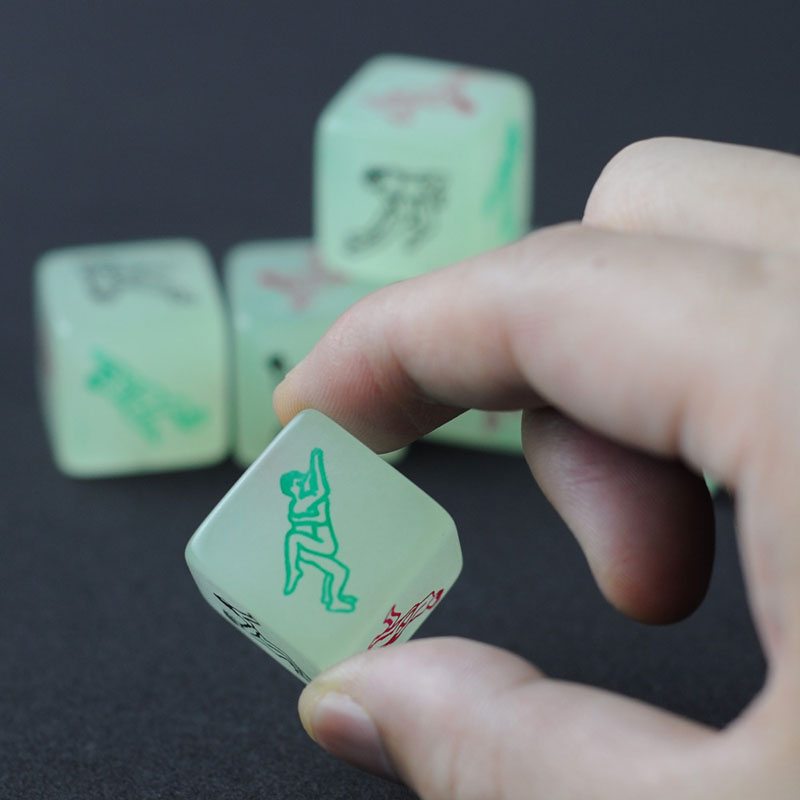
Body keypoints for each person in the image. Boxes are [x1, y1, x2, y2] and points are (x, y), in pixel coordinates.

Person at [273, 137, 800, 798]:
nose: (301, 484)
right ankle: (331, 595)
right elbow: (303, 523)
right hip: (322, 554)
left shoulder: (310, 493)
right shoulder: (305, 500)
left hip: (333, 550)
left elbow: (314, 494)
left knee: (321, 563)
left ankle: (333, 593)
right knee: (314, 563)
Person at [281, 447, 357, 613]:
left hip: (321, 546)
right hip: (316, 546)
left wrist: (314, 463)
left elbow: (316, 485)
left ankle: (331, 599)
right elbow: (321, 490)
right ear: (292, 489)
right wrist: (316, 460)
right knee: (294, 537)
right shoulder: (300, 504)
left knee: (340, 572)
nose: (303, 483)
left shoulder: (305, 501)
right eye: (299, 482)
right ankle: (295, 571)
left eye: (302, 480)